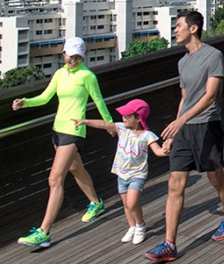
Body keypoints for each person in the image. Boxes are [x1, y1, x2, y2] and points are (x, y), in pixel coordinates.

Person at [145, 11, 224, 261]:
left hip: (207, 125)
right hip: (184, 129)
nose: (175, 31)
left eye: (178, 26)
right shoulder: (183, 62)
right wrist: (172, 134)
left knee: (216, 178)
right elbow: (185, 99)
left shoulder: (213, 56)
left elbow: (210, 95)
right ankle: (169, 244)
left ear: (194, 28)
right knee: (174, 183)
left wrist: (182, 120)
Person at [12, 37, 112, 249]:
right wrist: (25, 103)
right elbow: (45, 97)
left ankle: (44, 232)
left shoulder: (87, 76)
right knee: (76, 169)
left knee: (54, 179)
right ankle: (96, 203)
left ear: (82, 56)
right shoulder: (59, 74)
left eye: (77, 56)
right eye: (69, 55)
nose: (72, 59)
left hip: (73, 131)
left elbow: (99, 101)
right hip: (58, 130)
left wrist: (110, 125)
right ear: (64, 54)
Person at [76, 99, 172, 245]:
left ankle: (140, 226)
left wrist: (166, 151)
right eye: (124, 115)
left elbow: (158, 151)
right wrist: (85, 121)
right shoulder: (121, 128)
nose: (124, 118)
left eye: (128, 116)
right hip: (121, 173)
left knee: (132, 203)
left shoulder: (147, 135)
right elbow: (104, 125)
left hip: (137, 175)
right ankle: (131, 227)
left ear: (138, 118)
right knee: (126, 205)